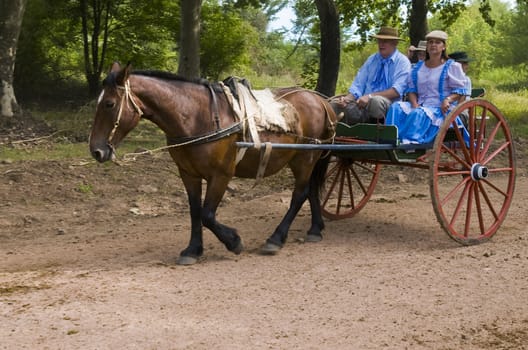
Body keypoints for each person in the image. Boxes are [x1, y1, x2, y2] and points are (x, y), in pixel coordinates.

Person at [385, 30, 467, 144]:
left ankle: (409, 142)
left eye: (438, 42)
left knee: (419, 113)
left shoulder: (452, 66)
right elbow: (411, 90)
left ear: (444, 47)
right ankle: (390, 139)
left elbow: (460, 91)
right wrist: (414, 104)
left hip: (441, 109)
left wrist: (448, 99)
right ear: (427, 46)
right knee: (396, 107)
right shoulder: (418, 68)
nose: (433, 45)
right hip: (421, 105)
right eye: (430, 42)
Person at [335, 26, 411, 124]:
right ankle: (333, 136)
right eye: (379, 41)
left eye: (385, 41)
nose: (381, 44)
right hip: (362, 103)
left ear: (395, 43)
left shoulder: (403, 62)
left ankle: (377, 136)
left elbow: (396, 91)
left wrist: (370, 96)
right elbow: (358, 84)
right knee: (334, 105)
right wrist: (347, 99)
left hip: (390, 105)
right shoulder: (372, 60)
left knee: (376, 102)